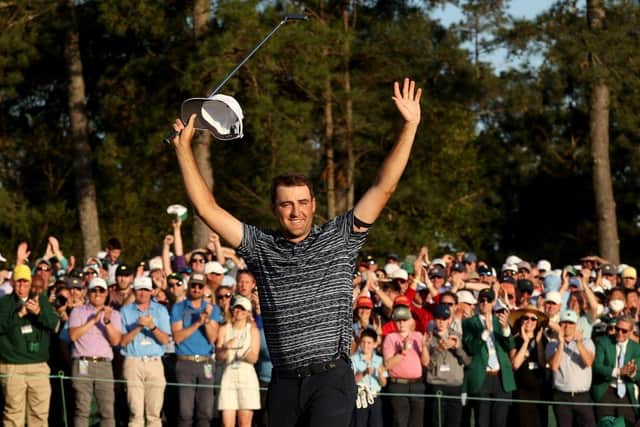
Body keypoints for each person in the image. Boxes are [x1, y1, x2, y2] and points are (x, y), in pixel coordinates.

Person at [171, 78, 422, 426]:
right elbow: (207, 209)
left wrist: (410, 126)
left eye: (303, 203)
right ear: (275, 209)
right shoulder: (260, 247)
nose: (296, 211)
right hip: (284, 382)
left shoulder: (340, 237)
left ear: (314, 204)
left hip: (330, 380)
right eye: (287, 204)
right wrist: (183, 150)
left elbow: (384, 187)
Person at [0, 264, 58, 426]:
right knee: (13, 414)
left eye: (25, 282)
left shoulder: (41, 299)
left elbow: (53, 323)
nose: (22, 286)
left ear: (31, 282)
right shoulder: (4, 303)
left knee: (39, 415)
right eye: (18, 282)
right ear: (12, 283)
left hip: (38, 366)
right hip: (12, 366)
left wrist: (40, 312)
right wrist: (19, 314)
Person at [68, 277, 122, 427]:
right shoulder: (77, 312)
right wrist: (92, 321)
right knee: (82, 409)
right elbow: (73, 336)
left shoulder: (114, 315)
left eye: (101, 290)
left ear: (106, 294)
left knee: (107, 412)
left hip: (104, 365)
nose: (97, 293)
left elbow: (116, 341)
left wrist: (107, 321)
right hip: (82, 363)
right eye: (94, 290)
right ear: (88, 293)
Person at [171, 272, 222, 427]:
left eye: (200, 286)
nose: (196, 289)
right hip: (185, 362)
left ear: (204, 287)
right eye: (194, 285)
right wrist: (196, 323)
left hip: (205, 362)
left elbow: (213, 338)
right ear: (189, 286)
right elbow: (178, 337)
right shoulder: (179, 307)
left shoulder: (212, 309)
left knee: (205, 413)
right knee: (185, 413)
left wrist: (206, 320)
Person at [120, 276, 171, 427]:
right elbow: (122, 341)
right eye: (139, 290)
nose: (142, 293)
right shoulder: (125, 311)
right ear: (134, 291)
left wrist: (152, 326)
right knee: (136, 414)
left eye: (146, 290)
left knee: (154, 414)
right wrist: (139, 326)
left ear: (151, 292)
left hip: (155, 362)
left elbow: (165, 340)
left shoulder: (160, 310)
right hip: (133, 361)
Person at [462, 288, 515, 427]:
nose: (485, 303)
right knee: (482, 421)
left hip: (501, 377)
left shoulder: (500, 322)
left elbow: (510, 346)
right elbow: (471, 348)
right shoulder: (469, 323)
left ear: (493, 303)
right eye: (482, 300)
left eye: (489, 300)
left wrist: (505, 330)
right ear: (478, 302)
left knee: (500, 421)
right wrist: (485, 333)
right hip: (482, 375)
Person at [545, 309, 596, 427]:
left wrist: (578, 342)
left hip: (582, 396)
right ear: (559, 325)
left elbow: (588, 362)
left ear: (576, 325)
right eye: (564, 322)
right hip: (562, 397)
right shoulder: (552, 344)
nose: (567, 326)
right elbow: (554, 366)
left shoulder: (587, 342)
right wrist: (561, 343)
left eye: (571, 323)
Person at [216, 295, 261, 427]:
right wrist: (225, 348)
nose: (239, 312)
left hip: (247, 375)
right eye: (236, 308)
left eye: (242, 309)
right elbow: (219, 356)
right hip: (228, 374)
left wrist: (245, 353)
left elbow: (254, 357)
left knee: (244, 423)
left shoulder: (253, 330)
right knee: (227, 422)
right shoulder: (224, 328)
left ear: (248, 312)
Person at [382, 304, 429, 427]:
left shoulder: (418, 336)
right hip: (398, 385)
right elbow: (387, 365)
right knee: (399, 421)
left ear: (410, 321)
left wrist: (424, 347)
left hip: (417, 385)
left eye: (404, 320)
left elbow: (426, 362)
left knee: (417, 422)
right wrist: (401, 352)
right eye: (398, 320)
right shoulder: (390, 338)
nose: (401, 323)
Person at [424, 303, 470, 427]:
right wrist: (439, 349)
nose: (441, 322)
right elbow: (427, 365)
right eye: (438, 318)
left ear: (449, 320)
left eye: (444, 318)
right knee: (437, 422)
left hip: (455, 386)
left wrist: (457, 348)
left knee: (454, 422)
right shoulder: (429, 338)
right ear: (434, 319)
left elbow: (467, 362)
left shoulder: (458, 336)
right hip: (437, 385)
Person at [592, 315, 640, 424]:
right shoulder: (603, 342)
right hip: (606, 390)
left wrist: (632, 373)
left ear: (631, 331)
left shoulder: (637, 348)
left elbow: (639, 374)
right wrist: (618, 371)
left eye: (624, 331)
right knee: (605, 424)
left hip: (627, 393)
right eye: (617, 329)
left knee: (626, 423)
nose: (619, 333)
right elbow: (597, 367)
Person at [507, 305, 548, 427]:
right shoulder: (514, 339)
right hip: (521, 392)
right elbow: (515, 364)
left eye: (533, 319)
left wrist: (539, 342)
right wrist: (525, 342)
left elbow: (542, 362)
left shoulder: (542, 339)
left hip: (539, 391)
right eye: (526, 318)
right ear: (521, 320)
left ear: (537, 323)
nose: (529, 321)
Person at [351, 328, 386, 427]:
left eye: (369, 343)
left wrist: (380, 375)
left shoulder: (379, 360)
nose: (366, 345)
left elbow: (383, 383)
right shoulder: (353, 359)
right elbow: (352, 381)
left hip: (375, 398)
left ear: (375, 344)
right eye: (363, 342)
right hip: (360, 399)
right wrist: (364, 373)